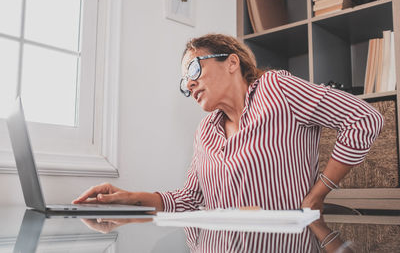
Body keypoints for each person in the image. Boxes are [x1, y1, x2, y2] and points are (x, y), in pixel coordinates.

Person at [72, 33, 383, 212]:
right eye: (184, 83)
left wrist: (318, 193)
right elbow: (190, 199)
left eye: (193, 70)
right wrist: (129, 197)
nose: (189, 85)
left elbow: (364, 118)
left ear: (232, 62)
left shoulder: (277, 89)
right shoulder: (205, 132)